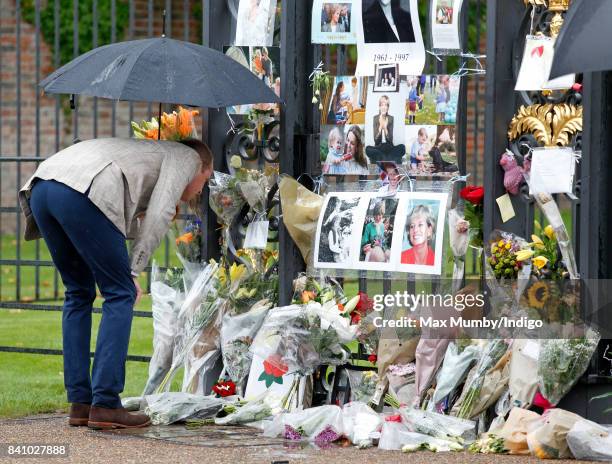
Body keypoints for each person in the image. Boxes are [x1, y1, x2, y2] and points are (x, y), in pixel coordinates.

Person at [18, 137, 213, 429]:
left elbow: (123, 210)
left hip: (42, 187)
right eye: (205, 181)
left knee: (78, 293)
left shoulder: (148, 153)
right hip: (83, 190)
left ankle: (81, 403)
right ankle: (106, 404)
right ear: (203, 167)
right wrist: (133, 272)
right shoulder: (187, 157)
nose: (201, 189)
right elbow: (158, 212)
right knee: (120, 293)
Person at [365, 95, 405, 163]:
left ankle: (383, 158)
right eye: (382, 105)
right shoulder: (375, 118)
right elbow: (376, 140)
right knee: (367, 149)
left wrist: (386, 128)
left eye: (386, 105)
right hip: (378, 147)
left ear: (388, 107)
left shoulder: (391, 118)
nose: (384, 107)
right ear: (379, 106)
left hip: (389, 147)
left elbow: (390, 140)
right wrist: (380, 126)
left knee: (402, 147)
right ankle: (388, 158)